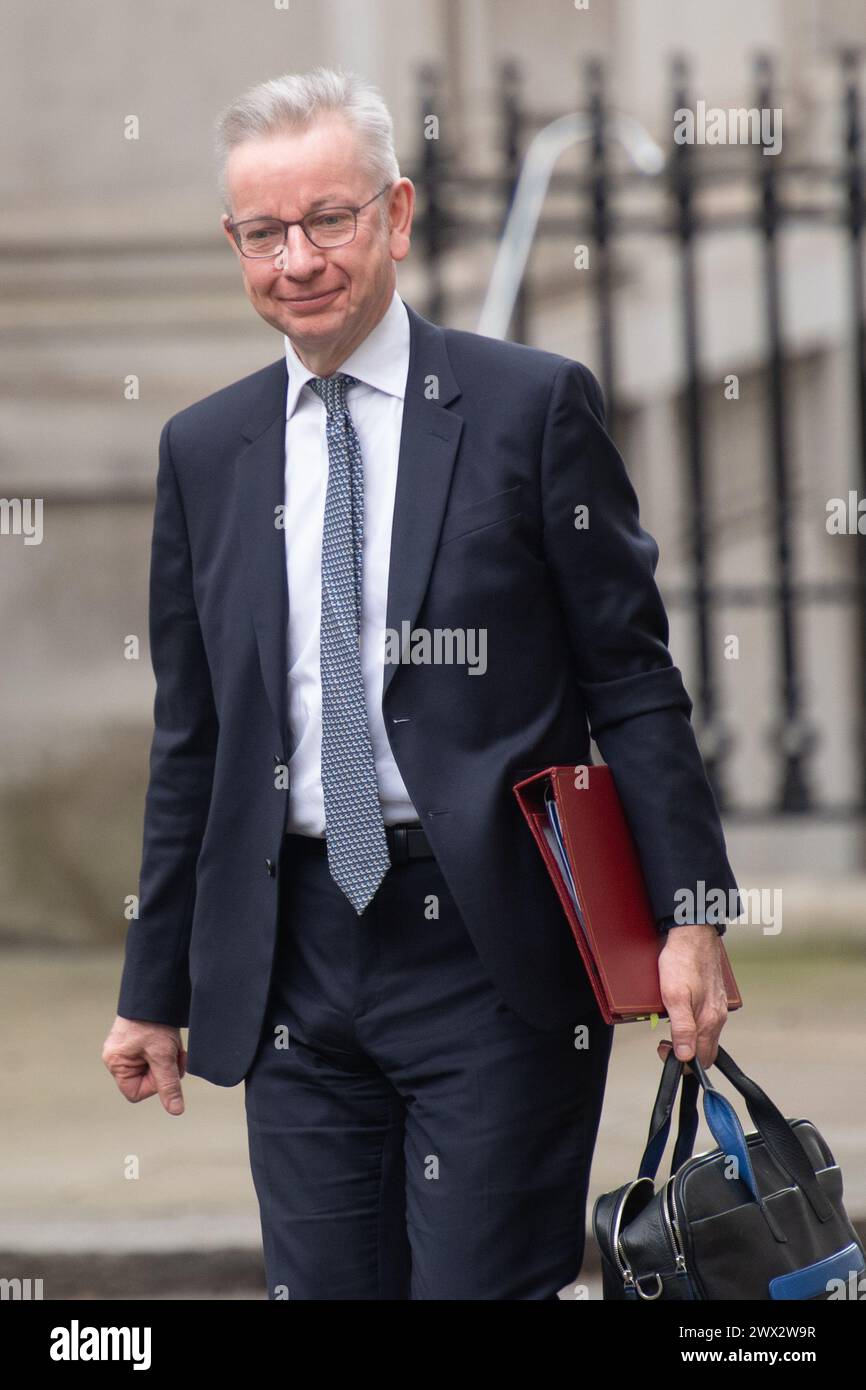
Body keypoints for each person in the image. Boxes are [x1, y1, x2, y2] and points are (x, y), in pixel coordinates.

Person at [102, 66, 739, 1300]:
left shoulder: (528, 408)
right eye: (264, 232)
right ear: (233, 245)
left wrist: (691, 914)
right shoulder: (205, 450)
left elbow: (630, 679)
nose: (297, 259)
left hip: (492, 951)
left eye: (327, 220)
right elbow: (193, 740)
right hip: (290, 959)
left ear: (394, 215)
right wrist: (151, 991)